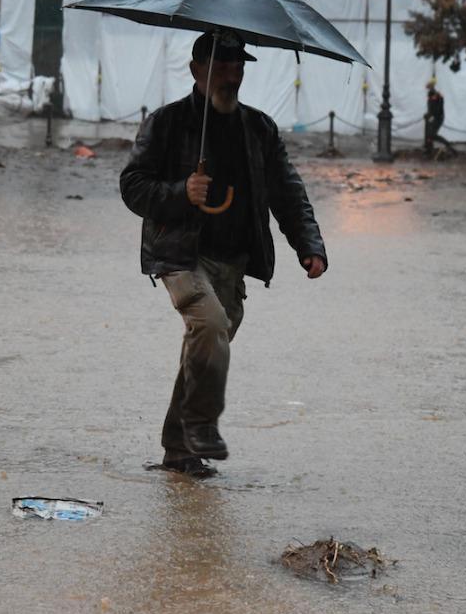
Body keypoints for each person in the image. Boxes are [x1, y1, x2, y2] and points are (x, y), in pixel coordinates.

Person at [120, 31, 328, 476]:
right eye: (221, 65)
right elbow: (132, 186)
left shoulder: (259, 129)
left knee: (205, 350)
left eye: (238, 66)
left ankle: (178, 451)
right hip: (181, 256)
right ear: (196, 69)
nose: (230, 74)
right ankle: (198, 429)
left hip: (234, 262)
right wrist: (181, 192)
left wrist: (309, 245)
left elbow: (288, 192)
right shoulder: (167, 122)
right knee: (210, 326)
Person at [423, 81, 455, 157]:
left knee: (432, 134)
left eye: (430, 87)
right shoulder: (431, 95)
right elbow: (430, 107)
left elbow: (437, 109)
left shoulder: (438, 97)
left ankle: (447, 143)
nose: (429, 88)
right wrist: (429, 115)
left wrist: (432, 115)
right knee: (429, 134)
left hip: (437, 118)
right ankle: (428, 150)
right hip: (432, 117)